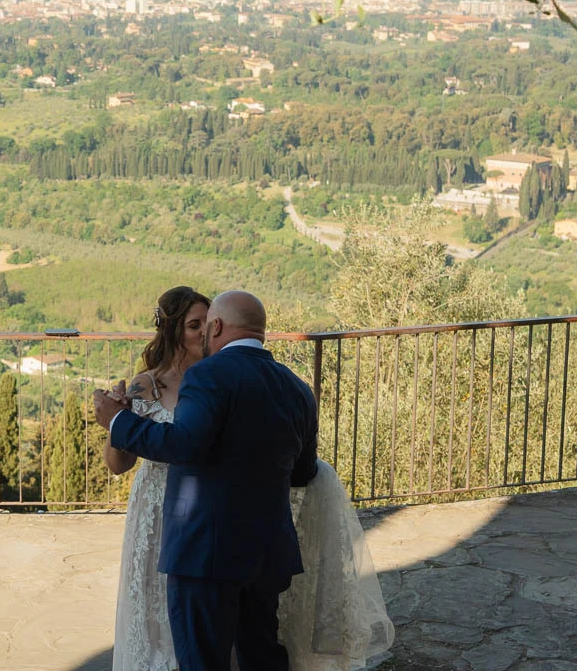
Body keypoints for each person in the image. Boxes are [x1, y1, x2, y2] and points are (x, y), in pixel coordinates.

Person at [96, 291, 394, 671]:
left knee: (202, 660)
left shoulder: (207, 374)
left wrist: (117, 421)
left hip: (204, 551)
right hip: (268, 552)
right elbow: (303, 472)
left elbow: (186, 445)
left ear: (217, 326)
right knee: (261, 656)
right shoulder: (295, 387)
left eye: (207, 325)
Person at [104, 286, 212, 671]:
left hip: (203, 505)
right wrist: (118, 421)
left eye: (207, 323)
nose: (203, 332)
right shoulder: (146, 384)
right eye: (193, 325)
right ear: (171, 332)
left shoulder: (219, 379)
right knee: (154, 600)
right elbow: (118, 464)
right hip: (156, 509)